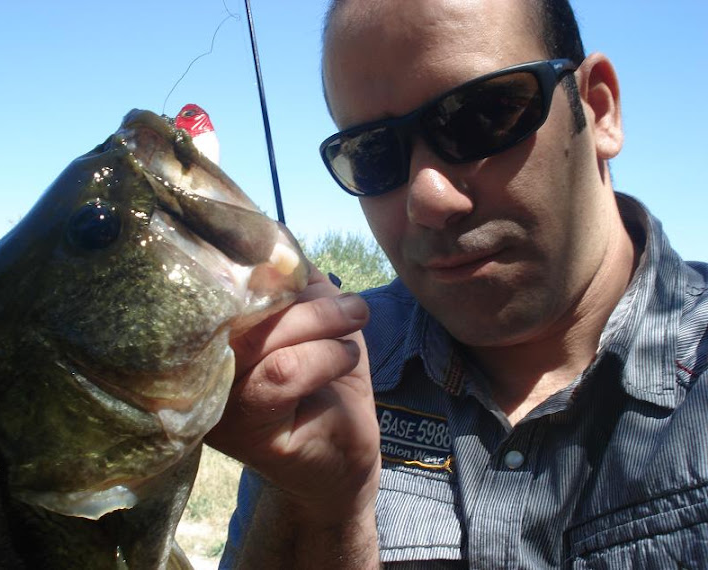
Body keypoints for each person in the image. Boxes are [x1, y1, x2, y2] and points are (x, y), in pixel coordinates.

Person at [207, 0, 708, 567]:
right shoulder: (328, 377)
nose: (428, 200)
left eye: (481, 116)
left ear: (597, 109)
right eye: (373, 154)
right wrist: (319, 506)